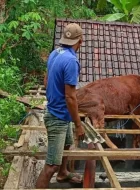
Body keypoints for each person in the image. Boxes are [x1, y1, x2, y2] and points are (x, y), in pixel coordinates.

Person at [36, 23, 85, 188]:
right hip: (57, 117)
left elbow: (46, 80)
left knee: (66, 144)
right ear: (81, 41)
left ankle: (63, 174)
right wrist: (79, 125)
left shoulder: (55, 53)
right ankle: (55, 174)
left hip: (59, 112)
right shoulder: (71, 61)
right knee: (51, 166)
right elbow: (70, 97)